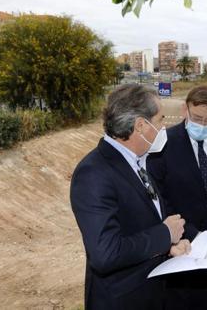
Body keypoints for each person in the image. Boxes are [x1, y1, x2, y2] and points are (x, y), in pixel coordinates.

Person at [70, 84, 190, 310]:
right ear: (141, 126)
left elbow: (138, 226)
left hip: (151, 294)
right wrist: (165, 234)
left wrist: (168, 247)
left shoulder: (138, 160)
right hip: (122, 301)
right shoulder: (94, 173)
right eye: (160, 119)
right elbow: (106, 253)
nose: (164, 127)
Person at [148, 85, 207, 310]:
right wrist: (193, 234)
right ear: (185, 110)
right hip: (177, 245)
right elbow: (159, 198)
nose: (202, 125)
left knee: (202, 302)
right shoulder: (163, 143)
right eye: (197, 117)